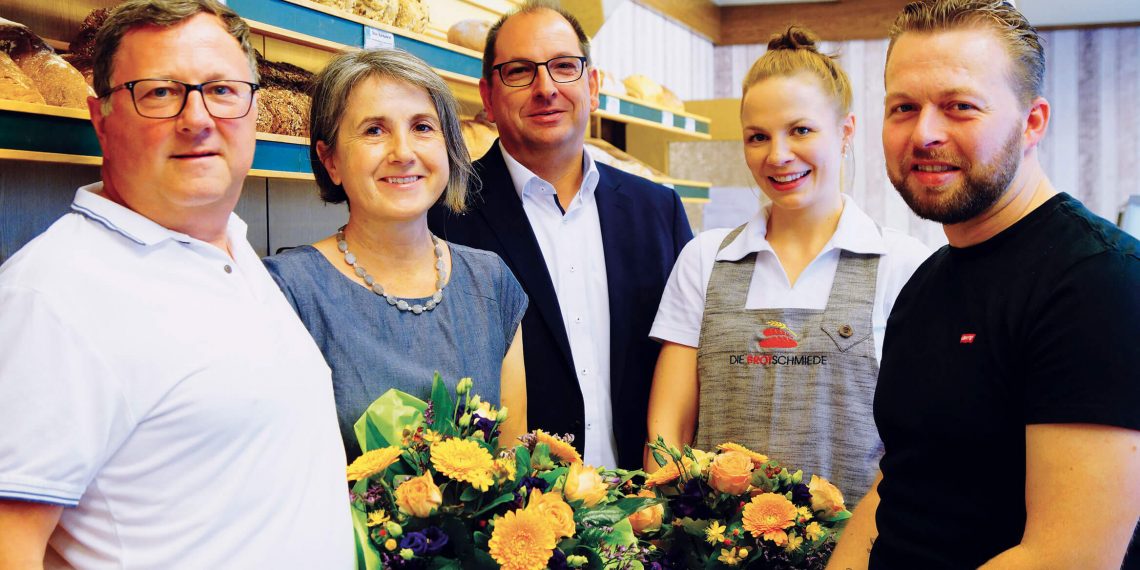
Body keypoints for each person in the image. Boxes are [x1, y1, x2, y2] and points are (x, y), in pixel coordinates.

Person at [0, 0, 353, 567]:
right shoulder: (51, 295)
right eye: (159, 92)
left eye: (222, 89)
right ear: (101, 118)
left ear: (253, 110)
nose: (197, 118)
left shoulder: (234, 249)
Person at [828, 1, 1140, 568]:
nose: (924, 133)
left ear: (1033, 122)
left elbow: (1065, 557)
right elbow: (898, 482)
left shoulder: (1101, 282)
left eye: (960, 107)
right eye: (903, 107)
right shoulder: (927, 282)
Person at [644, 27, 929, 505]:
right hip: (717, 548)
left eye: (800, 130)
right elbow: (668, 429)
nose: (777, 156)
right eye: (758, 137)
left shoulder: (902, 265)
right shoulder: (705, 260)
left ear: (845, 132)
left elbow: (919, 443)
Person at [428, 1, 693, 470]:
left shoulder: (659, 211)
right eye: (520, 72)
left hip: (650, 509)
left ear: (592, 85)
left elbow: (688, 368)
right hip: (514, 521)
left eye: (564, 67)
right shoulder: (444, 217)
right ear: (487, 96)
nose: (546, 88)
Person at [263, 48, 528, 463]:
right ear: (330, 160)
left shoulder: (491, 281)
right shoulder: (285, 292)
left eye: (422, 127)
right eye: (373, 131)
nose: (403, 152)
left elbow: (513, 465)